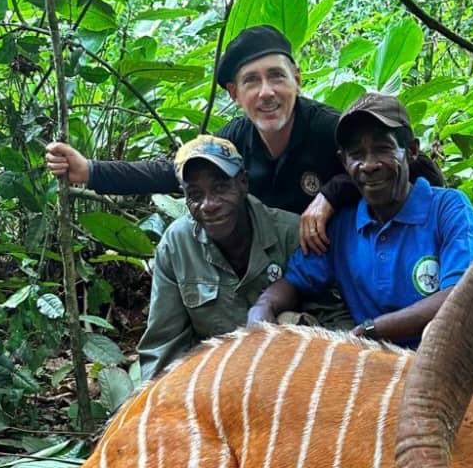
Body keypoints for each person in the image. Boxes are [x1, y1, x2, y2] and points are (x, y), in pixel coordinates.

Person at [45, 26, 444, 254]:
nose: (267, 92)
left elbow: (409, 167)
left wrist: (331, 194)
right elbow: (172, 172)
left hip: (347, 259)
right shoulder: (234, 141)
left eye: (277, 76)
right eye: (252, 81)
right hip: (271, 269)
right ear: (235, 94)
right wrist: (90, 170)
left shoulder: (330, 128)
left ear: (297, 80)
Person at [247, 93, 473, 349]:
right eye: (356, 154)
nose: (368, 165)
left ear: (411, 151)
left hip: (447, 357)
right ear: (344, 161)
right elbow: (294, 282)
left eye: (383, 149)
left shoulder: (448, 208)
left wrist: (371, 330)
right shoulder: (342, 225)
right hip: (377, 363)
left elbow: (460, 297)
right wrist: (263, 306)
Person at [136, 134, 350, 381]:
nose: (209, 204)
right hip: (217, 378)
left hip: (294, 375)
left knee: (287, 321)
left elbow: (336, 320)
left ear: (243, 183)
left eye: (220, 188)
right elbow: (163, 343)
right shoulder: (177, 245)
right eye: (195, 194)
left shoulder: (292, 234)